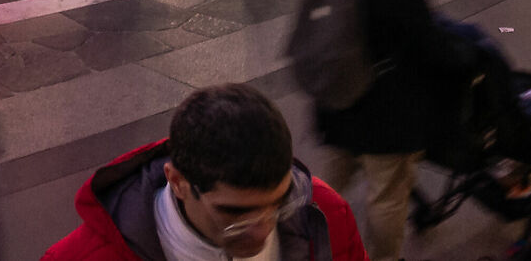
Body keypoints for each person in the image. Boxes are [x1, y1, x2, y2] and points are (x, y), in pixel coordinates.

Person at [311, 0, 465, 261]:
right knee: (388, 195)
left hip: (339, 97)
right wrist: (461, 65)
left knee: (330, 182)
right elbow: (426, 44)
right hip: (386, 107)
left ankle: (303, 238)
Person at [45, 80, 367, 261]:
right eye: (235, 212)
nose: (263, 230)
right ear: (178, 181)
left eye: (280, 203)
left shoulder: (326, 213)